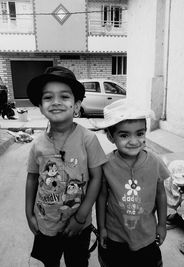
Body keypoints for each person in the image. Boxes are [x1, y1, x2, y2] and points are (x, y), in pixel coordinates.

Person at [25, 66, 107, 267]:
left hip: (78, 225)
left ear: (77, 105)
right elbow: (32, 178)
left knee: (77, 262)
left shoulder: (88, 139)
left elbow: (97, 178)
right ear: (40, 106)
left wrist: (80, 217)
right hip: (46, 223)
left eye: (64, 96)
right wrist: (29, 213)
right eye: (48, 97)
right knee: (49, 261)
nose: (56, 102)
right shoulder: (37, 144)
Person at [94, 99, 170, 267]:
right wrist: (102, 228)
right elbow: (101, 197)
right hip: (116, 235)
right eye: (124, 135)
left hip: (147, 235)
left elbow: (161, 194)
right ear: (110, 136)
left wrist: (162, 225)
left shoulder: (155, 162)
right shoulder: (106, 164)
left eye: (140, 133)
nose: (134, 141)